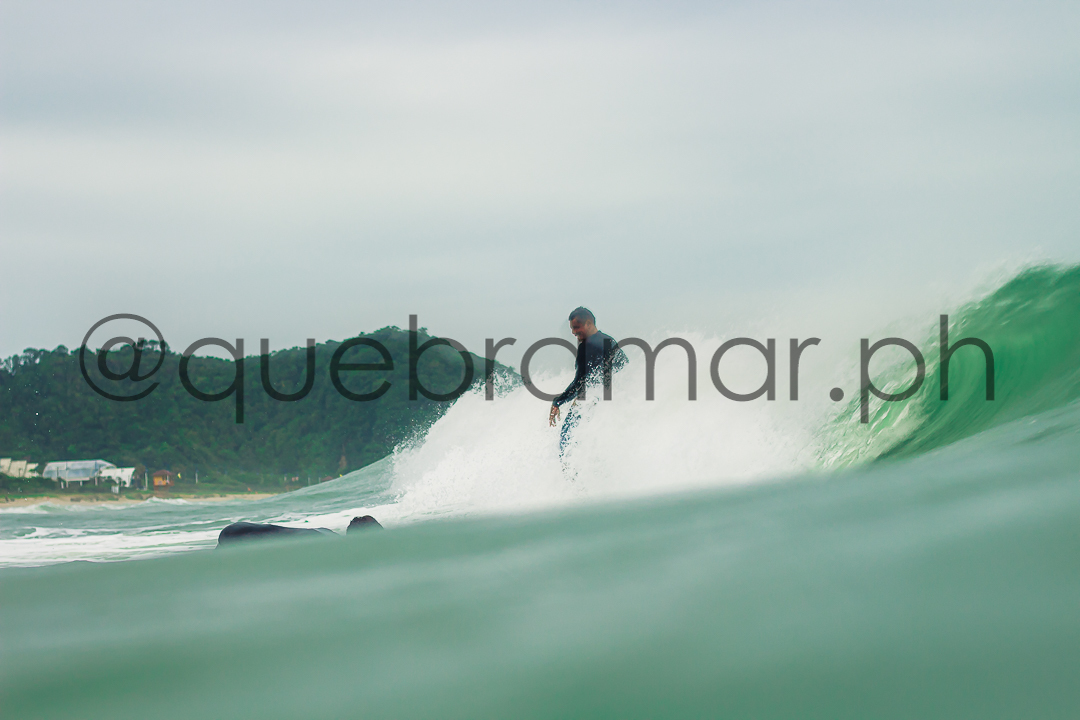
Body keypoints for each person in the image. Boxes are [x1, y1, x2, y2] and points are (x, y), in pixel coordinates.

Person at [548, 307, 627, 456]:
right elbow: (623, 365)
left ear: (589, 324)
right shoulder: (608, 340)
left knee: (567, 439)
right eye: (571, 328)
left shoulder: (587, 346)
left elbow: (579, 382)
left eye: (576, 327)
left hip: (590, 401)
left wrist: (558, 401)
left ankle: (570, 470)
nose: (573, 332)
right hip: (606, 401)